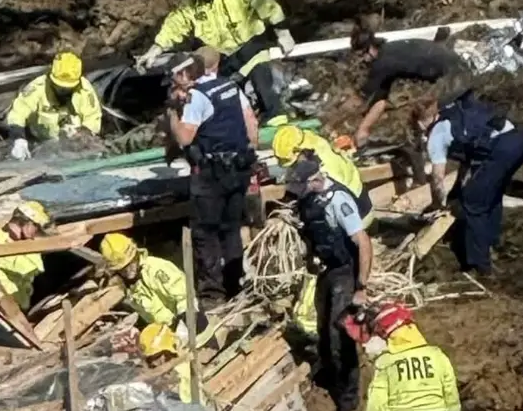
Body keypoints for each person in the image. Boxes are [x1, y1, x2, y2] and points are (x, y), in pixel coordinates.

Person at [136, 0, 293, 125]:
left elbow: (266, 5)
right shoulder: (190, 4)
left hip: (252, 48)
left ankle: (276, 117)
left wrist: (283, 32)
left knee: (262, 77)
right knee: (221, 94)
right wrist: (155, 50)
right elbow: (174, 26)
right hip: (223, 59)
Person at [166, 47, 259, 304]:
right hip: (239, 168)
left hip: (212, 175)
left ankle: (212, 294)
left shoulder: (198, 97)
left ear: (185, 73)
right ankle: (235, 284)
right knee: (231, 230)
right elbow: (252, 129)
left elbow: (185, 138)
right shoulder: (230, 86)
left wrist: (174, 111)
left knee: (206, 233)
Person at [286, 155, 374, 411]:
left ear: (315, 179)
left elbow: (363, 243)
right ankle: (330, 378)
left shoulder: (339, 201)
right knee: (323, 330)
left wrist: (361, 287)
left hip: (345, 272)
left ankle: (348, 400)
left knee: (340, 336)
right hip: (326, 270)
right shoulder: (310, 201)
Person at [412, 91, 523, 276]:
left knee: (474, 203)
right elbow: (468, 162)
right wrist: (457, 192)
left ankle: (480, 266)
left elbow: (437, 177)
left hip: (501, 149)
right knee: (490, 193)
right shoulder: (454, 114)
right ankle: (492, 243)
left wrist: (438, 203)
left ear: (420, 124)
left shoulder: (436, 135)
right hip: (518, 140)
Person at [350, 19, 471, 148]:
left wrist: (363, 128)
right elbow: (380, 99)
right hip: (453, 63)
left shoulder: (382, 63)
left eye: (363, 54)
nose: (363, 60)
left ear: (371, 48)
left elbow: (371, 101)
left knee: (423, 117)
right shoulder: (389, 50)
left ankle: (433, 153)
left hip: (456, 75)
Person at [100, 233, 207, 334]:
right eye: (122, 269)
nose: (128, 272)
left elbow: (185, 297)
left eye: (129, 265)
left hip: (191, 325)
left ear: (135, 255)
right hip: (166, 332)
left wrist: (185, 321)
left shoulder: (157, 269)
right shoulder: (131, 288)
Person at [6, 51, 102, 160]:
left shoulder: (85, 90)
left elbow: (93, 119)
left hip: (74, 147)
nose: (64, 90)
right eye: (60, 86)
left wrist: (81, 133)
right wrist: (19, 139)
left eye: (69, 88)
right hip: (40, 143)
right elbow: (17, 113)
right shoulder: (37, 87)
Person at [272, 125, 371, 218]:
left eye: (294, 164)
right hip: (356, 195)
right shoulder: (314, 142)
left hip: (357, 210)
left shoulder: (324, 173)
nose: (293, 167)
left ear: (302, 152)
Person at [0, 201, 52, 311]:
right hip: (4, 308)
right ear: (29, 224)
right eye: (37, 228)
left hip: (18, 306)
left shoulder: (22, 241)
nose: (37, 233)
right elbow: (33, 268)